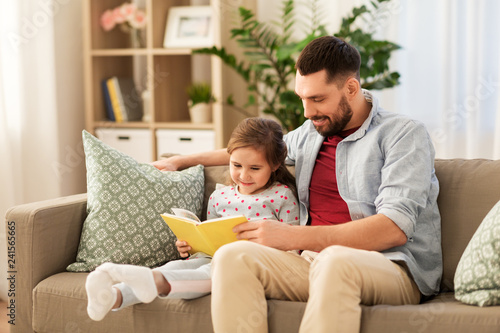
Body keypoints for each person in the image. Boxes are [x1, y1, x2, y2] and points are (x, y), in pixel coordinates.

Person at [152, 35, 442, 333]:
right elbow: (255, 151)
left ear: (351, 88)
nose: (307, 112)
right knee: (231, 256)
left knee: (334, 260)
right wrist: (181, 160)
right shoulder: (312, 131)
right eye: (302, 98)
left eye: (317, 99)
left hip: (391, 267)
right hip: (313, 261)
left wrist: (293, 237)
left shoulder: (403, 135)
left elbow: (392, 229)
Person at [85, 117, 300, 322]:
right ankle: (114, 296)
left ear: (274, 165)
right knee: (174, 266)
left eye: (254, 168)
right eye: (236, 165)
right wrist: (189, 246)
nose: (244, 175)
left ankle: (154, 282)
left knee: (210, 273)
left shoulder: (282, 196)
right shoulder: (220, 196)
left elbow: (292, 246)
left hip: (248, 265)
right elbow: (209, 237)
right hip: (209, 258)